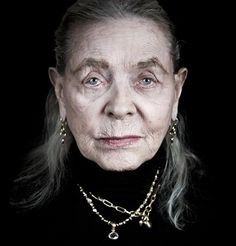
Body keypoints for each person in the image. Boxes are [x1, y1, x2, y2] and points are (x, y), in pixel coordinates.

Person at [9, 0, 201, 245]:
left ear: (176, 92)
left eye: (146, 80)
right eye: (93, 80)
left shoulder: (208, 201)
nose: (120, 108)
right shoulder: (20, 208)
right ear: (61, 92)